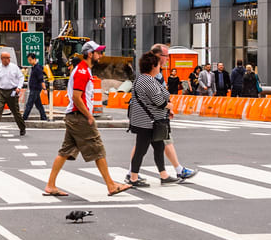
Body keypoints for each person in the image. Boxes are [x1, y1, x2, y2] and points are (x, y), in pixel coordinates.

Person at [43, 41, 128, 198]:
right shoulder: (82, 71)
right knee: (98, 149)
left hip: (74, 117)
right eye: (99, 52)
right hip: (79, 117)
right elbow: (76, 97)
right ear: (90, 54)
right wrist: (89, 116)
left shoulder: (84, 70)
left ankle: (50, 185)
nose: (101, 55)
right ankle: (111, 185)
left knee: (65, 152)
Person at [147, 44, 195, 182]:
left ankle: (172, 172)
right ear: (158, 56)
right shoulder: (153, 73)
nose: (168, 59)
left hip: (155, 114)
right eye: (165, 56)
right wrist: (167, 107)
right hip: (155, 115)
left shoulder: (157, 72)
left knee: (146, 144)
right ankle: (178, 170)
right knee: (158, 142)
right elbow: (154, 94)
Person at [124, 53, 172, 188]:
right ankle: (133, 178)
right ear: (153, 66)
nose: (160, 67)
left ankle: (164, 175)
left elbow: (163, 94)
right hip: (148, 122)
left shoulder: (141, 79)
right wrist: (169, 106)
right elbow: (160, 100)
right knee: (141, 149)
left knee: (159, 147)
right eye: (158, 64)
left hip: (145, 121)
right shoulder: (148, 81)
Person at [0, 50, 27, 137]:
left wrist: (19, 87)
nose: (7, 60)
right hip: (1, 91)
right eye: (5, 58)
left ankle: (22, 128)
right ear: (1, 59)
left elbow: (21, 77)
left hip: (12, 91)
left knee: (15, 111)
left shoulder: (14, 67)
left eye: (8, 58)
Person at [24, 53, 49, 121]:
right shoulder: (34, 67)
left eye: (30, 60)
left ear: (34, 59)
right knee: (38, 105)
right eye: (28, 60)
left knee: (29, 104)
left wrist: (44, 89)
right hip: (34, 88)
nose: (29, 61)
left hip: (35, 89)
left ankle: (24, 118)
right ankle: (43, 117)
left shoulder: (37, 68)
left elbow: (41, 79)